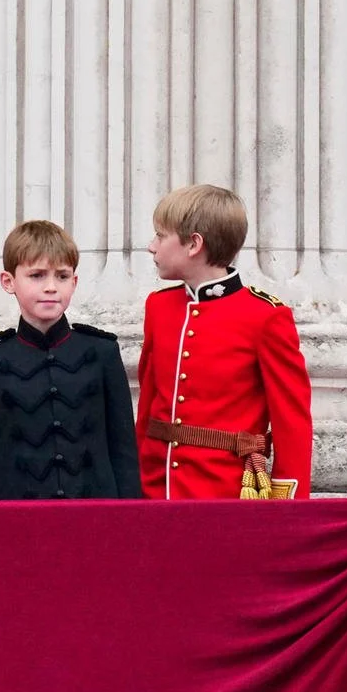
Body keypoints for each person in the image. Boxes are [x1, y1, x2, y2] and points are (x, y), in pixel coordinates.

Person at [136, 183, 312, 498]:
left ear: (194, 244)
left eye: (160, 236)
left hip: (224, 492)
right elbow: (148, 403)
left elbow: (292, 421)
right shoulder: (159, 307)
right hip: (154, 486)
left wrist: (287, 506)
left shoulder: (265, 316)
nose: (152, 246)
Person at [0, 220, 140, 500]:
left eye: (61, 276)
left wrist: (131, 519)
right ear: (8, 282)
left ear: (75, 282)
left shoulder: (102, 352)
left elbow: (123, 449)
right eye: (37, 275)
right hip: (17, 519)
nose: (50, 287)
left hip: (96, 516)